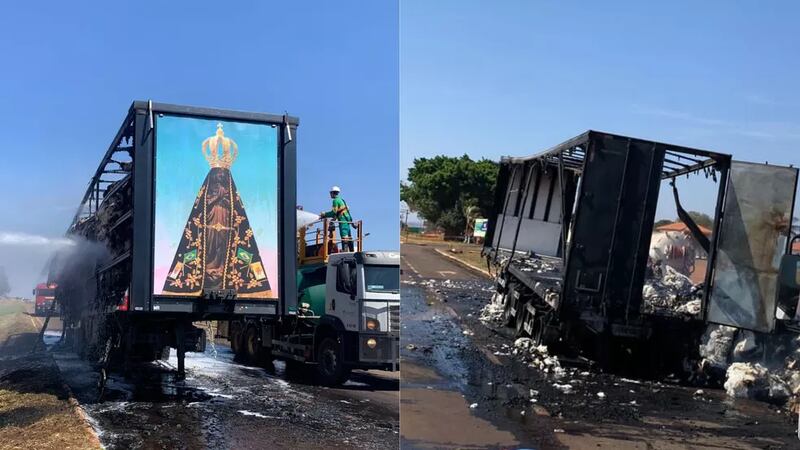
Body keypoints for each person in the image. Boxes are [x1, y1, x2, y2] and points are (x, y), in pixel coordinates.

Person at [320, 186, 354, 252]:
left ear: (332, 193)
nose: (330, 194)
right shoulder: (341, 200)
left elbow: (333, 212)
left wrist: (324, 214)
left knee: (344, 236)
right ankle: (352, 251)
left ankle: (345, 251)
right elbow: (339, 212)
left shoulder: (335, 201)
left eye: (330, 193)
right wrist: (334, 218)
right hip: (347, 220)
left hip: (342, 220)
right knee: (349, 236)